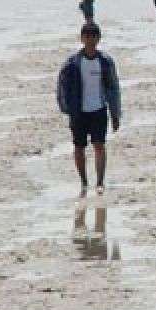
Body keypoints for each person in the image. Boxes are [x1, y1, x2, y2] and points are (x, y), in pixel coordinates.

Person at [56, 23, 122, 196]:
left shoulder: (105, 62)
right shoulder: (72, 63)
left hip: (99, 109)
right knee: (79, 147)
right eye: (87, 36)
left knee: (99, 145)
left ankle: (100, 181)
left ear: (98, 38)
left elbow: (114, 88)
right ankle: (84, 181)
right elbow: (62, 86)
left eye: (94, 36)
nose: (90, 40)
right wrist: (67, 109)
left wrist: (115, 114)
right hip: (79, 111)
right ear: (82, 38)